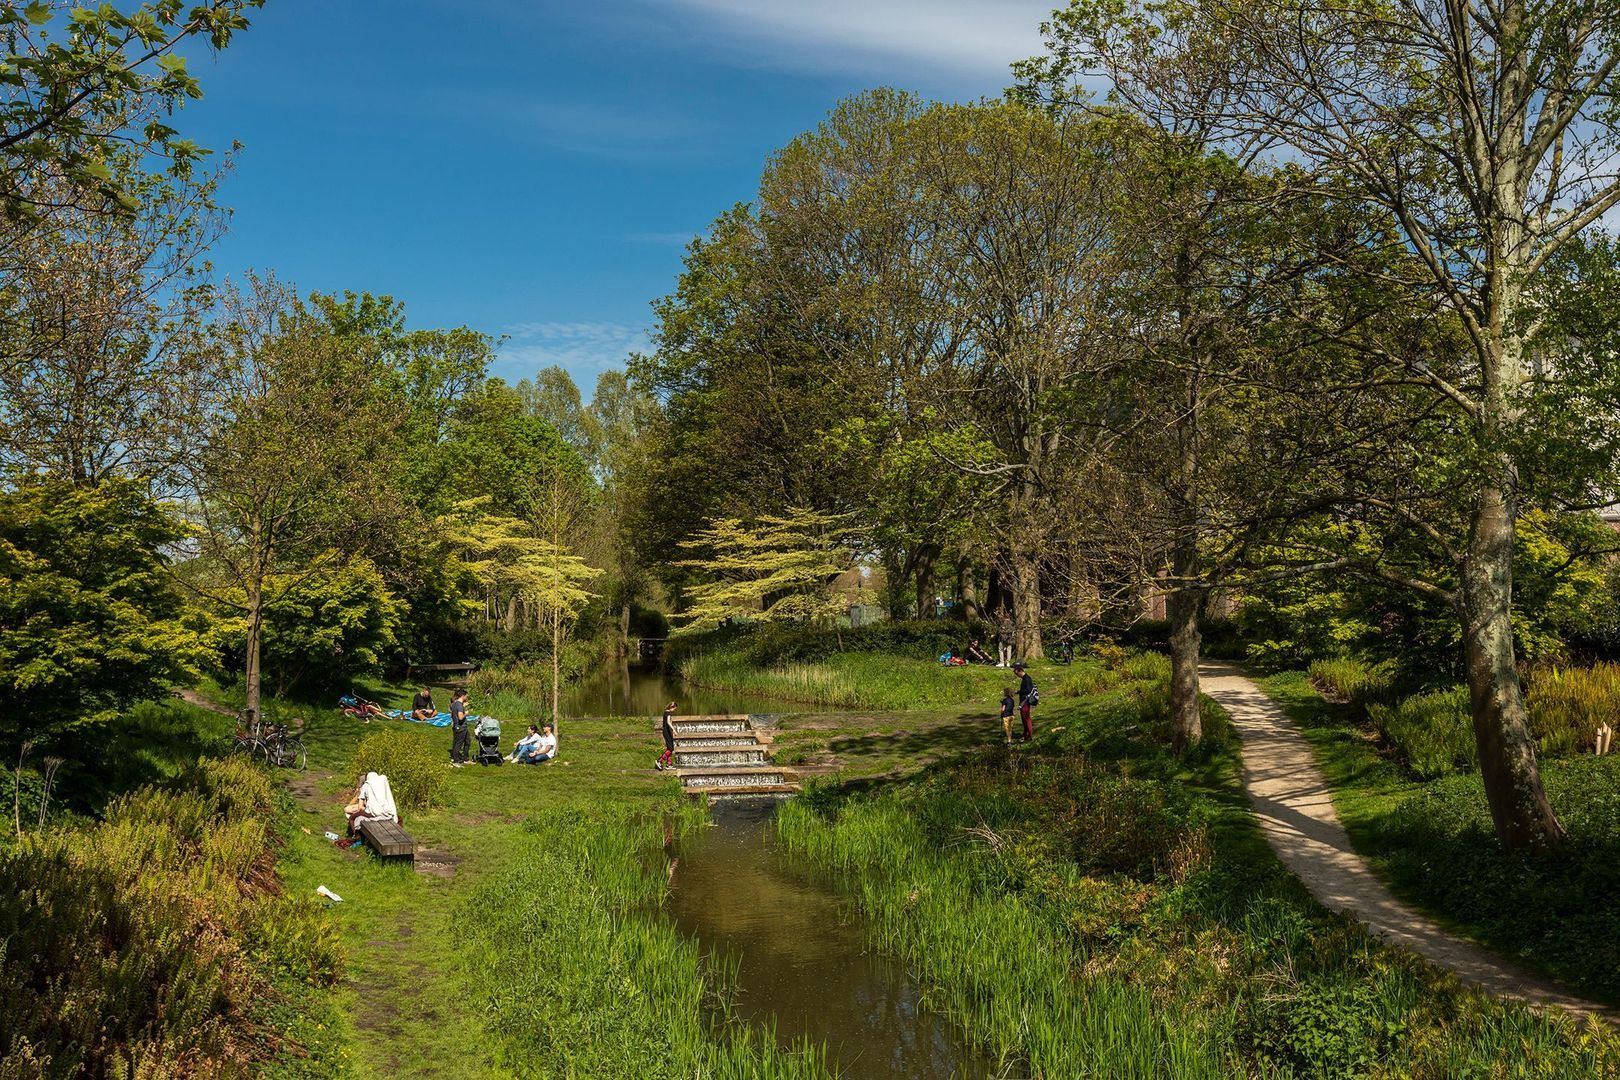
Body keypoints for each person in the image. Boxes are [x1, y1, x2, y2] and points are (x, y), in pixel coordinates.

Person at [448, 687, 471, 768]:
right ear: (463, 696)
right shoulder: (459, 705)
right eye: (466, 696)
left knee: (467, 741)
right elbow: (460, 717)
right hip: (460, 727)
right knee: (458, 744)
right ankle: (456, 761)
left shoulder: (454, 704)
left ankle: (466, 759)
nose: (467, 697)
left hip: (458, 726)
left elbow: (452, 712)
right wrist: (466, 713)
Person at [1013, 662, 1036, 742]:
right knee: (1023, 718)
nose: (1017, 675)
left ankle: (1029, 735)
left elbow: (1028, 690)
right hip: (1023, 700)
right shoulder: (1025, 678)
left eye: (1016, 673)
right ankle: (1025, 733)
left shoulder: (1027, 678)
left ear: (1019, 671)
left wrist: (1019, 692)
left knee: (1026, 718)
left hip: (1025, 701)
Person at [656, 701, 677, 770]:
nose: (674, 710)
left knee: (670, 748)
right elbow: (668, 722)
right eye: (674, 709)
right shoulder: (668, 713)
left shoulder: (666, 712)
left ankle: (669, 764)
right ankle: (659, 761)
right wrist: (674, 730)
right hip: (667, 732)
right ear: (671, 707)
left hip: (667, 731)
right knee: (670, 749)